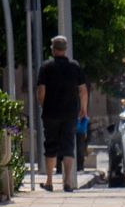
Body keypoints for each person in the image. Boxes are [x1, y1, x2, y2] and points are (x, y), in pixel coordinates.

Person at [36, 35, 88, 191]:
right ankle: (67, 182)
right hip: (70, 112)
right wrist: (83, 109)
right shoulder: (74, 67)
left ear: (53, 49)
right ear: (65, 49)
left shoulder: (46, 67)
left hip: (51, 112)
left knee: (50, 145)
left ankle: (50, 181)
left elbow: (41, 91)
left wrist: (43, 105)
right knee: (68, 146)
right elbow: (83, 90)